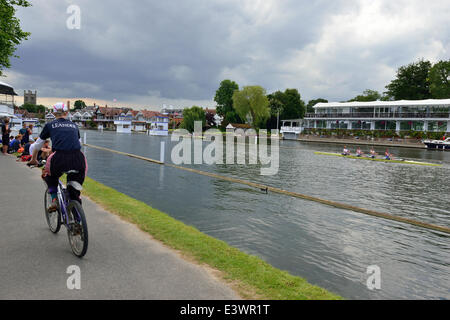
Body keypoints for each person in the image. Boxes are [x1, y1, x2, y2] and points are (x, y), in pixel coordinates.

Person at [28, 102, 87, 211]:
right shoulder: (74, 125)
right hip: (78, 159)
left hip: (59, 159)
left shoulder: (50, 125)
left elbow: (37, 145)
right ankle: (78, 220)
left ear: (54, 113)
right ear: (67, 112)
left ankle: (54, 200)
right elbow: (79, 144)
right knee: (74, 191)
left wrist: (34, 159)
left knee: (48, 175)